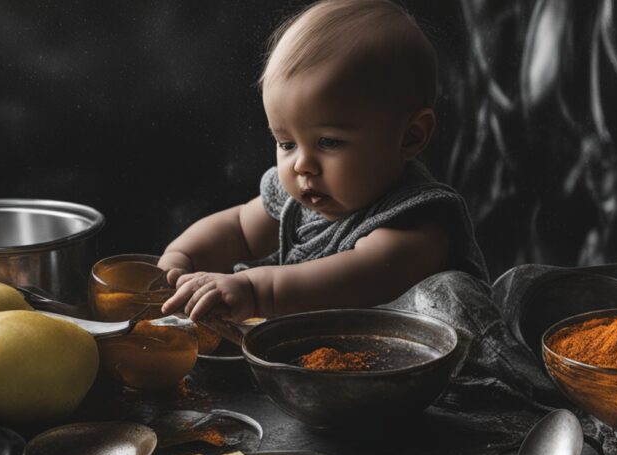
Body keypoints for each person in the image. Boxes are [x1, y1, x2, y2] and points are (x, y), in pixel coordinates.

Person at [159, 0, 488, 322]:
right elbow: (238, 230)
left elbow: (356, 278)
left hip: (427, 371)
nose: (302, 165)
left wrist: (254, 291)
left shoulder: (416, 225)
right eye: (286, 143)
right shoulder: (300, 197)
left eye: (328, 142)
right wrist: (179, 260)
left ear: (411, 136)